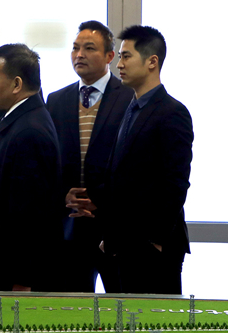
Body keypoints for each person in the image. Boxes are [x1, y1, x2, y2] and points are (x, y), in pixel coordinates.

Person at [81, 25, 193, 294]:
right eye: (120, 57)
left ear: (152, 62)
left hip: (152, 247)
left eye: (126, 56)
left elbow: (176, 183)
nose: (119, 64)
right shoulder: (131, 108)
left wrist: (156, 239)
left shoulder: (172, 112)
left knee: (154, 319)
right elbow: (118, 176)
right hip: (123, 244)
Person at [45, 20, 133, 292]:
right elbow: (49, 161)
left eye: (89, 48)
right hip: (70, 224)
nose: (79, 54)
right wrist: (64, 196)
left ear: (109, 56)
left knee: (121, 306)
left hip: (114, 224)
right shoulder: (56, 100)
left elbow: (132, 164)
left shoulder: (129, 97)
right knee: (74, 308)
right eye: (75, 48)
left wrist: (101, 199)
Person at [0, 43, 63, 291]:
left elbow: (29, 218)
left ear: (16, 84)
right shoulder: (20, 121)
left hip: (13, 277)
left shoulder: (29, 132)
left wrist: (22, 280)